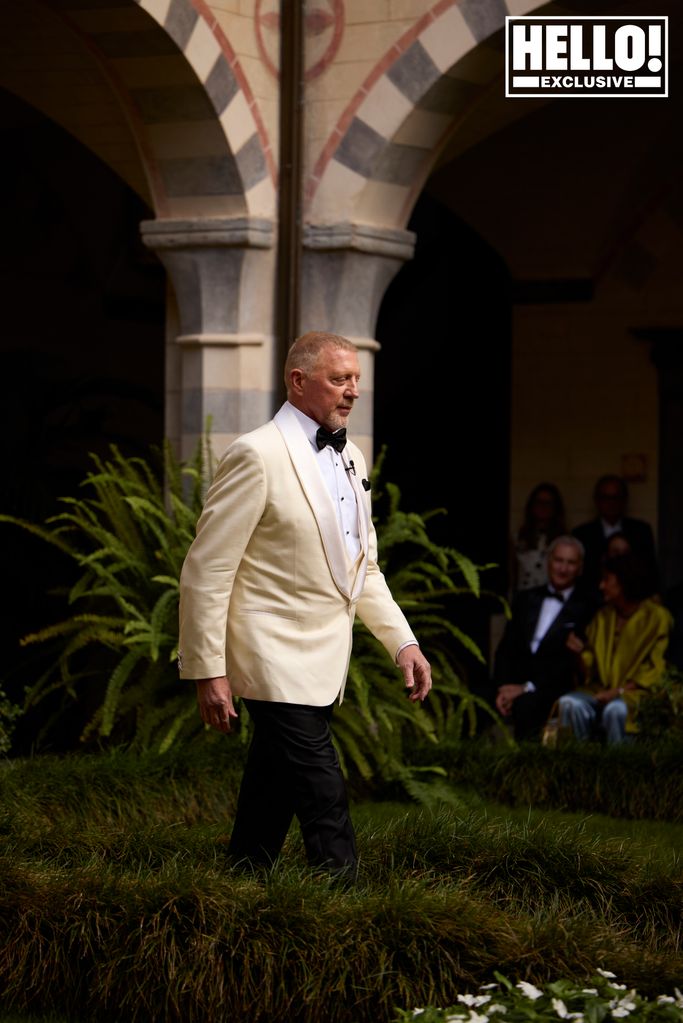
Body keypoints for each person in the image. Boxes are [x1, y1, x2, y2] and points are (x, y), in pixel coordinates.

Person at [178, 331, 432, 878]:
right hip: (270, 658)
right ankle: (350, 921)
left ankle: (240, 890)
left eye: (356, 380)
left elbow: (361, 566)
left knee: (267, 801)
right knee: (324, 796)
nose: (352, 392)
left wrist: (403, 643)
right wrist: (207, 670)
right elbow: (207, 568)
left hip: (322, 660)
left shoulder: (352, 456)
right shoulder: (256, 454)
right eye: (339, 379)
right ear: (298, 381)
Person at [558, 554, 672, 743]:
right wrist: (578, 654)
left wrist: (618, 691)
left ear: (624, 582)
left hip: (639, 694)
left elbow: (656, 669)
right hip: (601, 689)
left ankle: (619, 771)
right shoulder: (603, 616)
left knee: (616, 710)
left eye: (606, 580)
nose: (601, 586)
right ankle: (577, 767)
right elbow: (590, 665)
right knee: (569, 703)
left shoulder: (657, 617)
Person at [493, 536, 596, 740]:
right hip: (515, 682)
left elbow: (569, 664)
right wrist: (503, 687)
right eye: (558, 560)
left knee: (528, 705)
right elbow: (506, 648)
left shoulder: (588, 606)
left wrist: (526, 688)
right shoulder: (525, 598)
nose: (563, 568)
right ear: (548, 562)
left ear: (580, 568)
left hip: (555, 688)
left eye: (570, 562)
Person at [572, 474, 657, 596]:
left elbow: (650, 571)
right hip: (591, 602)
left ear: (624, 500)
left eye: (616, 497)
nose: (611, 503)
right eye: (605, 497)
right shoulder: (582, 534)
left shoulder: (641, 531)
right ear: (597, 500)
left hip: (633, 601)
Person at [511, 482, 567, 591]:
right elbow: (513, 573)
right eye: (539, 502)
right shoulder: (518, 539)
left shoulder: (563, 541)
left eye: (548, 503)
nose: (543, 507)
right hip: (523, 597)